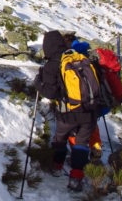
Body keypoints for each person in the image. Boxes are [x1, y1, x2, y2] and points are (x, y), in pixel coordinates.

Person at [34, 30, 98, 192]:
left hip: (68, 112)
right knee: (81, 142)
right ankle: (76, 178)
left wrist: (38, 83)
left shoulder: (52, 65)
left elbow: (51, 92)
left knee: (60, 139)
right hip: (90, 109)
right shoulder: (77, 56)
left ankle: (57, 167)